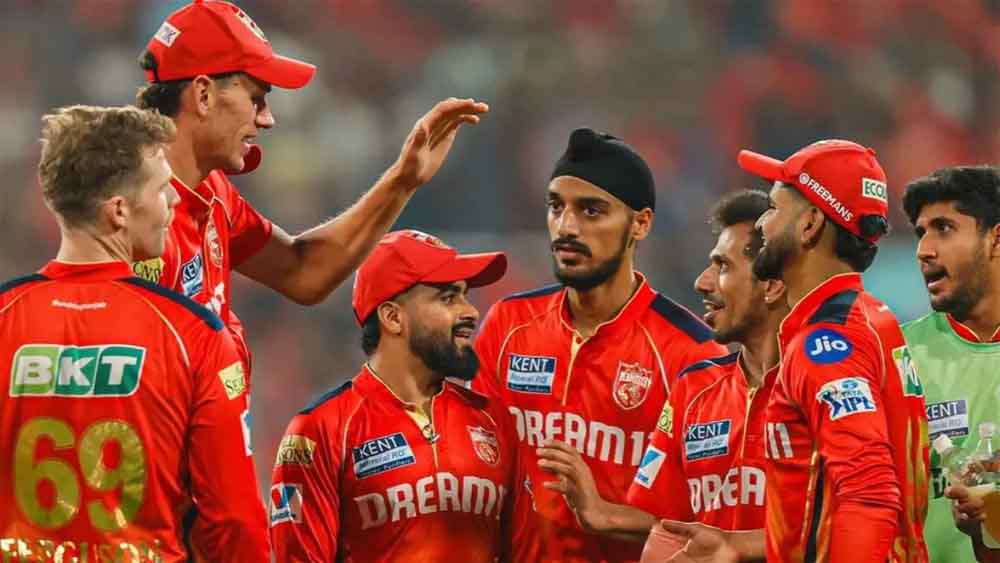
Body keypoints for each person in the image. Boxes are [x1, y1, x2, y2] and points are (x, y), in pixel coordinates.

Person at [134, 0, 490, 373]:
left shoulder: (212, 191)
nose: (267, 119)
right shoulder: (124, 209)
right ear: (204, 95)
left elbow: (303, 273)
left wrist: (403, 179)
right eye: (255, 99)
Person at [0, 105, 266, 562]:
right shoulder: (194, 337)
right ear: (119, 210)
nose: (175, 201)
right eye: (162, 189)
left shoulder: (5, 317)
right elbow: (235, 522)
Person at [473, 127, 727, 562]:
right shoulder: (508, 324)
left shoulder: (693, 354)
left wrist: (606, 515)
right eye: (556, 206)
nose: (566, 227)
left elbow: (718, 525)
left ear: (640, 224)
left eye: (591, 211)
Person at [534, 190, 788, 563]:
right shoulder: (695, 388)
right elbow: (665, 525)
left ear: (771, 284)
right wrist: (602, 514)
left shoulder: (820, 384)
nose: (702, 282)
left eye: (722, 266)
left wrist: (740, 546)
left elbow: (852, 519)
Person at [269, 230, 517, 562]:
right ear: (393, 317)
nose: (471, 311)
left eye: (465, 295)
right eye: (448, 298)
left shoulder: (492, 419)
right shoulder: (321, 430)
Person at [738, 139, 929, 562]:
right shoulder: (873, 318)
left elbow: (868, 494)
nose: (761, 224)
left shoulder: (826, 345)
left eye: (773, 208)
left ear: (809, 224)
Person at [900, 166, 1000, 562]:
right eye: (920, 233)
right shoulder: (896, 354)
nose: (924, 250)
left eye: (943, 228)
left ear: (995, 239)